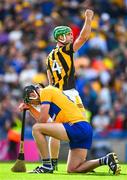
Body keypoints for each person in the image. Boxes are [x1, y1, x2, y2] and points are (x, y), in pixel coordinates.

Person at [19, 84, 121, 174]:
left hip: (76, 126)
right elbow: (47, 124)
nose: (34, 104)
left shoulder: (45, 91)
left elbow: (42, 121)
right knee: (73, 169)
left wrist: (30, 108)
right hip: (83, 128)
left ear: (33, 94)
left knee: (36, 128)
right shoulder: (52, 97)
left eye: (31, 101)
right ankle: (106, 160)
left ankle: (46, 165)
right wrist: (31, 109)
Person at [46, 9, 94, 170]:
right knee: (82, 126)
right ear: (60, 37)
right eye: (67, 34)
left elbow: (50, 81)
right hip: (70, 94)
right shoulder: (65, 50)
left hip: (56, 94)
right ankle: (80, 162)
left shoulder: (49, 57)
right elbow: (84, 37)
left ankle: (51, 165)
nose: (71, 36)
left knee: (54, 128)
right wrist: (88, 18)